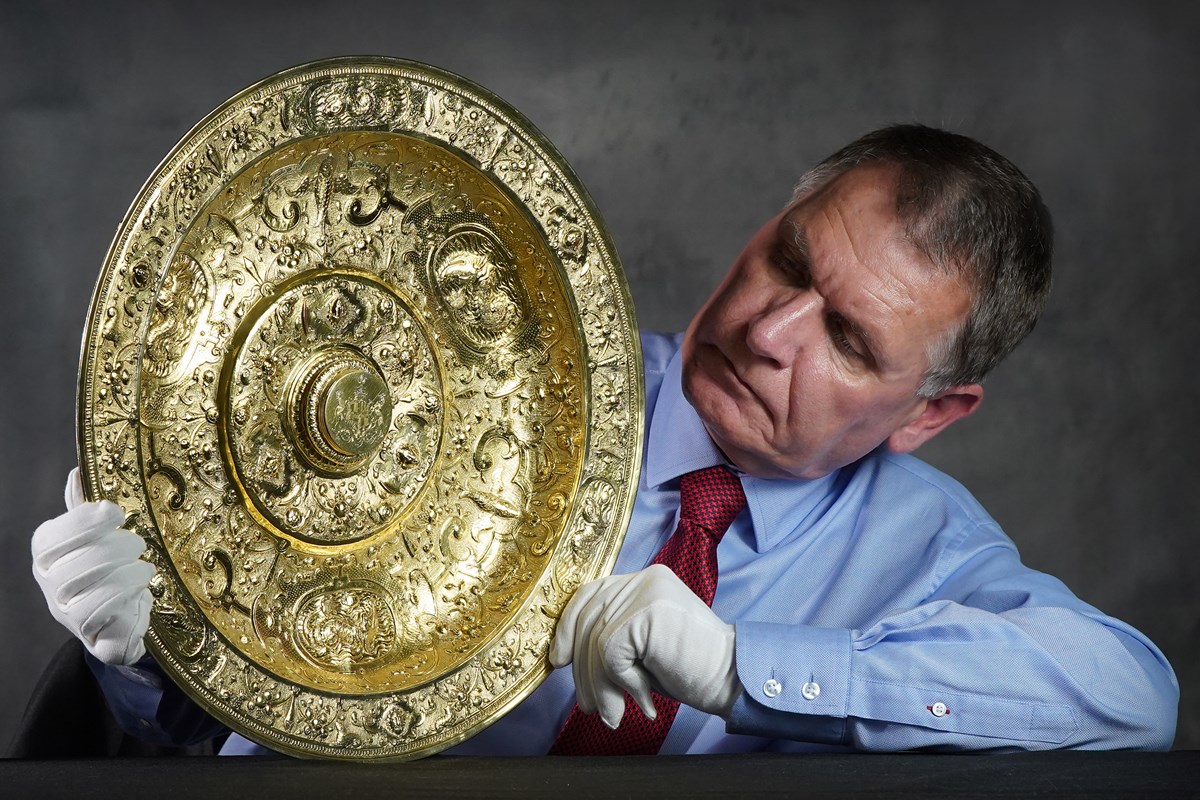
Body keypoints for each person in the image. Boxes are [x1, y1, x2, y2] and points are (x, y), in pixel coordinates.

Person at [31, 124, 1178, 755]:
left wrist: (746, 669)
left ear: (929, 412)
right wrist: (145, 651)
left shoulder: (926, 548)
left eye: (847, 338)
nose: (769, 329)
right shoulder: (485, 364)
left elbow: (1133, 696)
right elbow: (193, 734)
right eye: (789, 259)